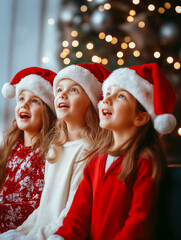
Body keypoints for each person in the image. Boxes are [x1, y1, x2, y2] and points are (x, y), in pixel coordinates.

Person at [50, 63, 177, 240]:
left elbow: (139, 222)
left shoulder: (144, 161)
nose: (107, 100)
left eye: (121, 96)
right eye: (107, 93)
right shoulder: (95, 159)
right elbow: (78, 215)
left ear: (140, 117)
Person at [0, 63, 111, 240]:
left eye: (73, 90)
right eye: (59, 90)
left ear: (91, 100)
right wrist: (19, 232)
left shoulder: (89, 151)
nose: (62, 95)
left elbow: (71, 213)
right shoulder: (55, 148)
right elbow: (43, 211)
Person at [0, 67, 56, 233]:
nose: (24, 104)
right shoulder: (11, 146)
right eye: (21, 99)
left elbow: (37, 205)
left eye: (34, 101)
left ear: (48, 111)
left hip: (19, 229)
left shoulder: (47, 153)